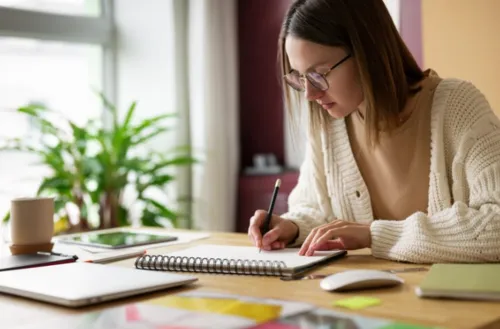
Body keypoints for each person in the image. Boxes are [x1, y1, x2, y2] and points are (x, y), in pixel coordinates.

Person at [247, 0, 500, 264]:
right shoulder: (330, 123)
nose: (310, 94)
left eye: (319, 74)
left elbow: (496, 225)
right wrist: (293, 227)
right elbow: (315, 209)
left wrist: (376, 235)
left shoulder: (458, 107)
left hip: (448, 301)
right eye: (299, 78)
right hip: (365, 301)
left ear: (368, 51)